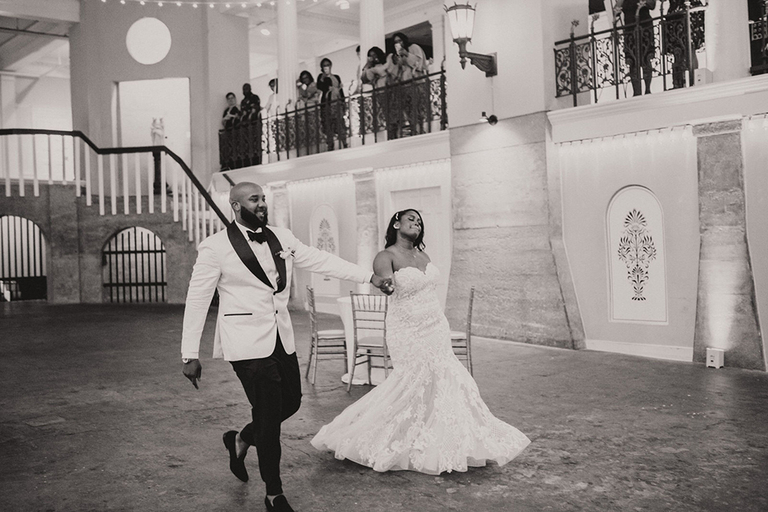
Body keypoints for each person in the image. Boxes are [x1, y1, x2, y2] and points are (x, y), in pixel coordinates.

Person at [181, 182, 393, 512]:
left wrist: (369, 276)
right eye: (254, 199)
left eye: (263, 198)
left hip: (281, 337)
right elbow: (198, 298)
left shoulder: (283, 237)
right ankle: (274, 493)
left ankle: (241, 439)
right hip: (246, 343)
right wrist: (189, 353)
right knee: (268, 416)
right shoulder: (215, 247)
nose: (262, 204)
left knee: (291, 402)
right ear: (236, 206)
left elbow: (321, 260)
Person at [311, 209, 530, 474]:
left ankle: (439, 439)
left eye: (419, 221)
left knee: (443, 379)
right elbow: (385, 283)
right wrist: (386, 285)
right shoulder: (386, 256)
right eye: (411, 219)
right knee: (410, 381)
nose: (416, 223)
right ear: (396, 224)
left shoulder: (423, 256)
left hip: (435, 326)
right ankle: (379, 435)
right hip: (407, 329)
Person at [614, 0, 657, 96]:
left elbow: (652, 4)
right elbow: (616, 11)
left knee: (646, 58)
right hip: (630, 29)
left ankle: (647, 89)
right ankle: (636, 92)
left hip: (644, 27)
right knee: (632, 61)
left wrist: (644, 2)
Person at [317, 58, 347, 151]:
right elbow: (321, 87)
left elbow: (340, 90)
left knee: (339, 123)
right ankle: (330, 145)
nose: (326, 67)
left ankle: (344, 142)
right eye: (324, 65)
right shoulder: (321, 77)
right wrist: (323, 78)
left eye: (328, 65)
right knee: (328, 124)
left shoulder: (336, 77)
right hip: (327, 104)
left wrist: (343, 101)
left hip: (337, 102)